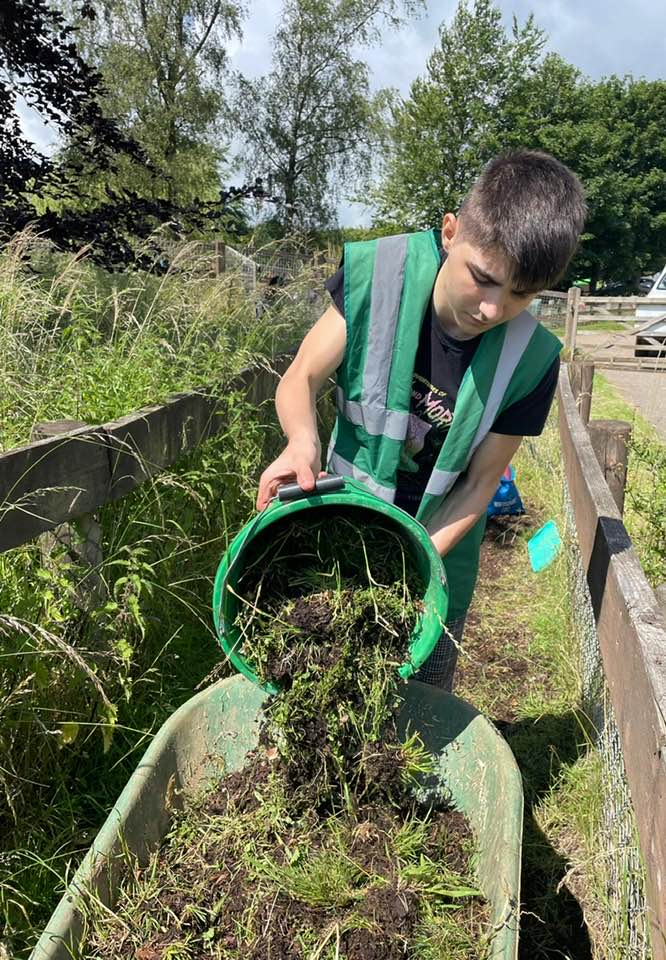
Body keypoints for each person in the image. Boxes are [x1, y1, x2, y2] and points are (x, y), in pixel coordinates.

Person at [256, 150, 586, 690]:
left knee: (421, 691)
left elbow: (481, 483)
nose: (492, 310)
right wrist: (300, 442)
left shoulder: (532, 360)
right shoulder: (379, 275)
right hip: (339, 527)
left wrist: (411, 564)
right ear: (450, 233)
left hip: (439, 549)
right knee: (306, 675)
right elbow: (300, 378)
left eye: (521, 294)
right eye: (483, 279)